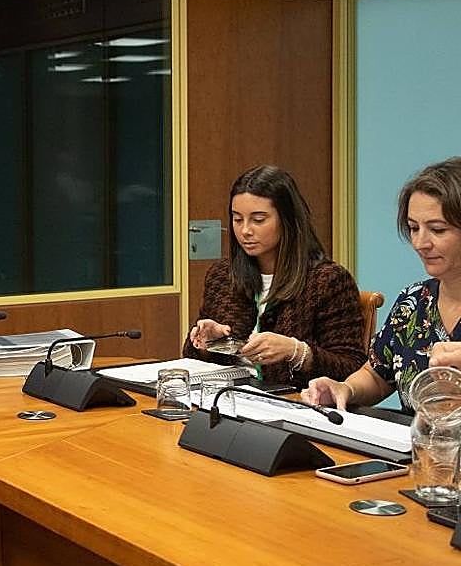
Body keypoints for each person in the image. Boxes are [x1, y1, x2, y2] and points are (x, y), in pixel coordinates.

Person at [184, 165, 366, 388]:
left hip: (297, 406)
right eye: (237, 219)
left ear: (287, 220)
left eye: (258, 220)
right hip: (229, 400)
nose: (245, 231)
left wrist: (298, 353)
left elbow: (353, 367)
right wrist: (207, 342)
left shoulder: (328, 280)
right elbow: (191, 360)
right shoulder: (222, 275)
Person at [305, 157, 461, 411]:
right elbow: (377, 375)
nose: (421, 243)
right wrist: (345, 388)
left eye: (438, 230)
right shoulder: (413, 301)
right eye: (413, 228)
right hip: (416, 446)